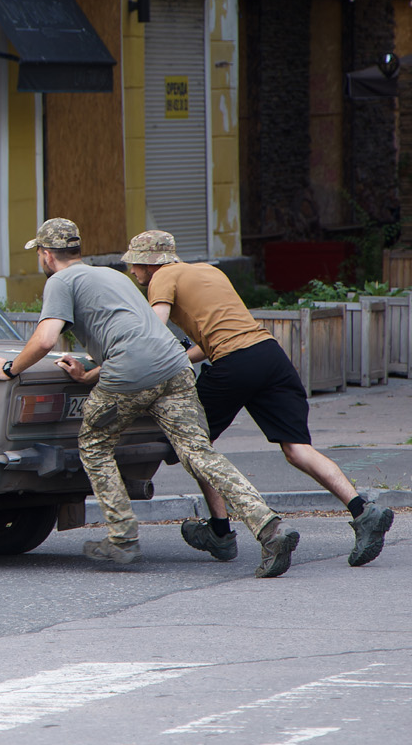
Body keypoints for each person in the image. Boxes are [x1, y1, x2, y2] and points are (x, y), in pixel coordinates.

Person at [0, 218, 301, 578]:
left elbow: (46, 339)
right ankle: (270, 528)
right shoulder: (113, 277)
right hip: (174, 367)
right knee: (199, 453)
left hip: (131, 371)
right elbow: (137, 334)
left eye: (39, 253)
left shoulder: (62, 281)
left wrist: (9, 368)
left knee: (94, 443)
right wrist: (89, 374)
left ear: (46, 255)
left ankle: (122, 539)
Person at [123, 229, 394, 568]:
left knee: (196, 447)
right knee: (297, 449)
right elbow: (215, 337)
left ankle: (221, 533)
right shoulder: (209, 271)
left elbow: (154, 330)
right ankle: (363, 511)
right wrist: (180, 356)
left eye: (133, 264)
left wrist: (120, 365)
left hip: (234, 363)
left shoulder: (162, 277)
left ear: (149, 262)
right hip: (269, 355)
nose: (132, 272)